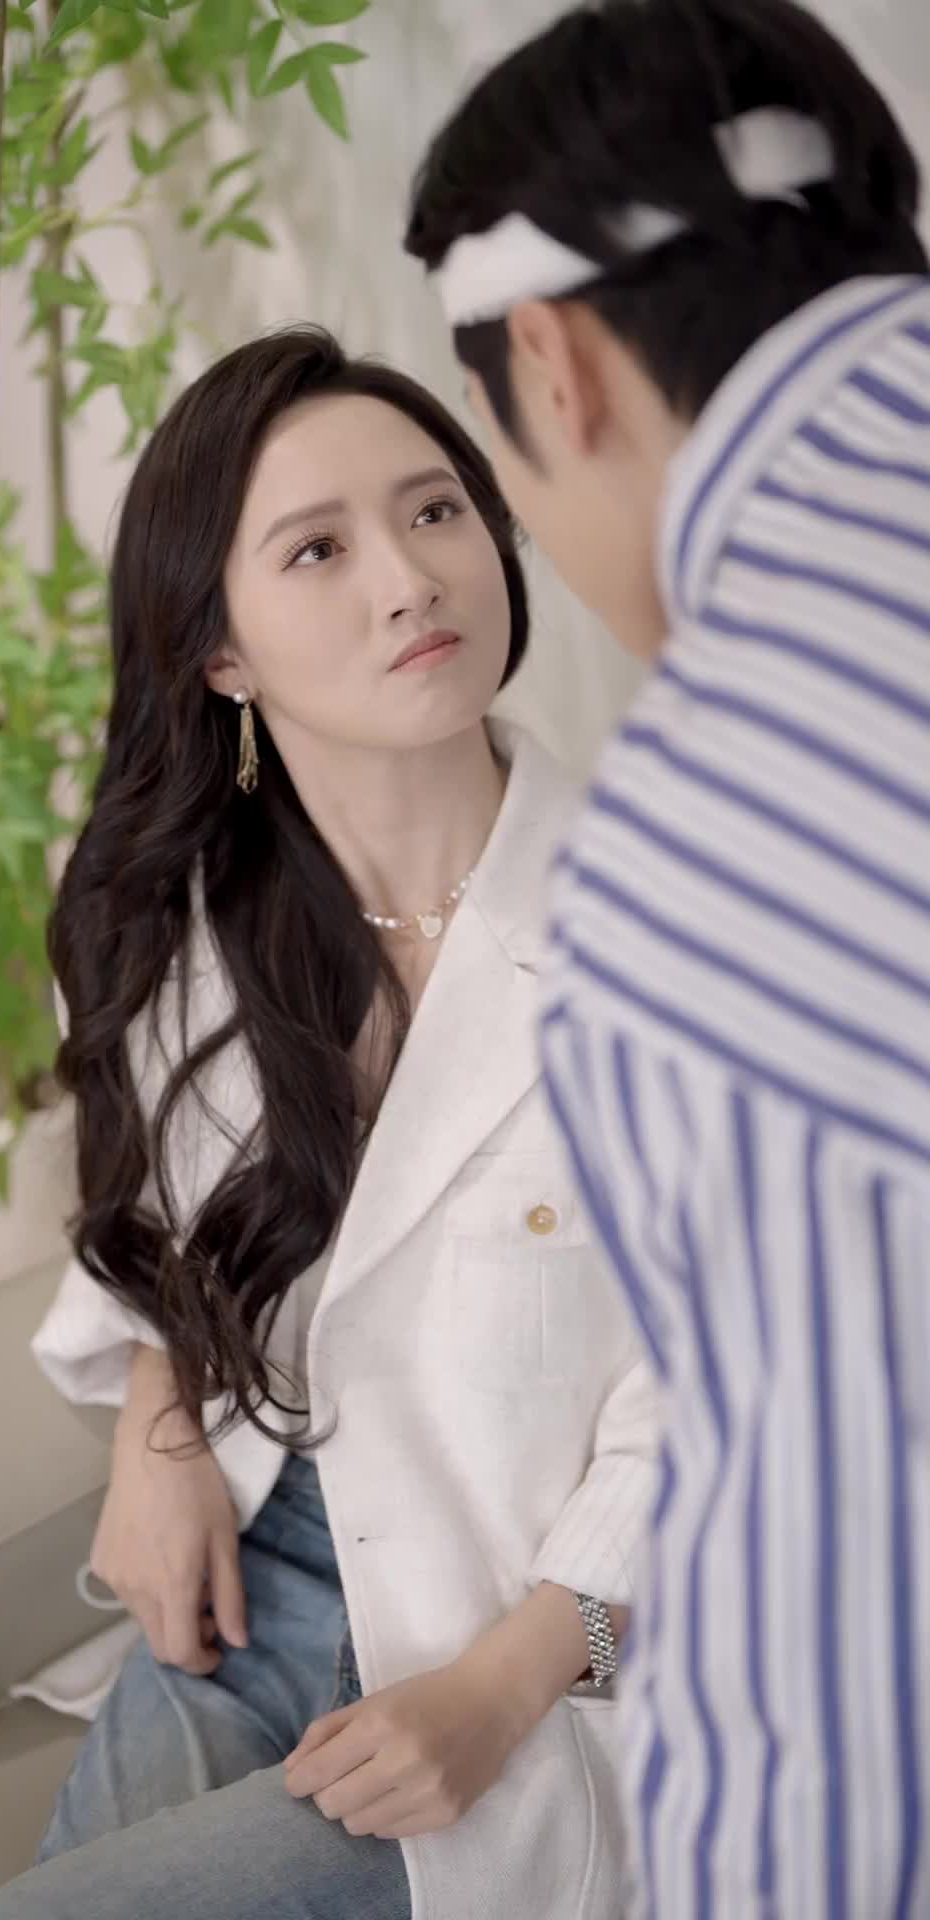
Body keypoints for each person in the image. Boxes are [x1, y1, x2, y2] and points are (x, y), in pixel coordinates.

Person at [0, 327, 655, 1920]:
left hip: (546, 1646)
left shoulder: (680, 934)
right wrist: (158, 1435)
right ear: (220, 651)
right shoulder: (177, 920)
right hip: (257, 1573)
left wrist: (506, 1686)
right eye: (320, 549)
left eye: (435, 511)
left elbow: (750, 1397)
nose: (410, 581)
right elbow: (163, 1226)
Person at [405, 2, 930, 1915]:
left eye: (453, 496)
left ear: (551, 368)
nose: (415, 580)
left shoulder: (696, 851)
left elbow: (838, 1635)